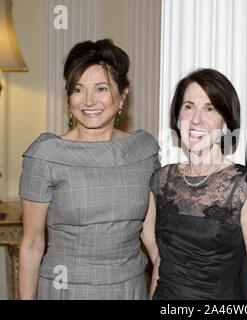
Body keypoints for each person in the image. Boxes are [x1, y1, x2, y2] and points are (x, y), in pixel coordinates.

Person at [18, 39, 159, 300]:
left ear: (122, 96)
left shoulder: (143, 151)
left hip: (128, 289)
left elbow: (153, 240)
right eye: (79, 89)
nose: (89, 101)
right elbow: (32, 244)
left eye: (101, 89)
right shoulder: (46, 154)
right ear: (68, 97)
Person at [143, 68, 247, 300]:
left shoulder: (244, 187)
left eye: (210, 109)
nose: (196, 119)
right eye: (188, 106)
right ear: (177, 117)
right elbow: (161, 263)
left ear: (225, 123)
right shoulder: (161, 180)